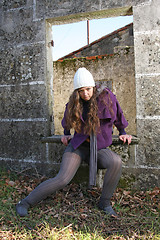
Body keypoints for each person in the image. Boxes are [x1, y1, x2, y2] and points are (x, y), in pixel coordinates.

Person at [16, 67, 132, 217]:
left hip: (98, 147)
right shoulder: (74, 103)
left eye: (88, 89)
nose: (85, 94)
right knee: (62, 178)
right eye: (81, 90)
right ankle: (25, 203)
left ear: (93, 86)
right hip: (78, 146)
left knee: (115, 162)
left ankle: (104, 202)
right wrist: (66, 134)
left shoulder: (107, 98)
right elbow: (66, 121)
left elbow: (118, 115)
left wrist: (123, 133)